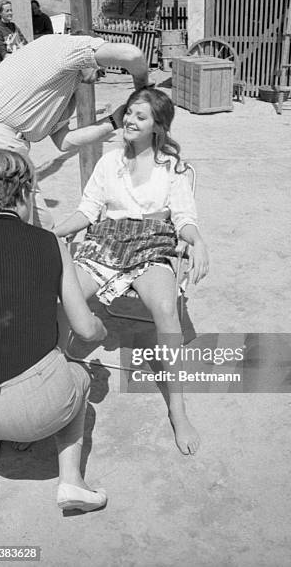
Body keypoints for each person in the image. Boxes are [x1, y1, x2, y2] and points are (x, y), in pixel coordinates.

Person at [55, 87, 209, 456]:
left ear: (158, 125)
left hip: (153, 243)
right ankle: (53, 387)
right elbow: (88, 211)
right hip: (106, 241)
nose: (129, 120)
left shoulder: (174, 167)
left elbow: (184, 217)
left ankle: (178, 409)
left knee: (165, 310)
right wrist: (51, 232)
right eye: (129, 114)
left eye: (140, 117)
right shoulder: (108, 162)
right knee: (64, 295)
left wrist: (198, 240)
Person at [0, 149, 108, 511]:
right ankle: (71, 482)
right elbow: (84, 327)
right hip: (38, 410)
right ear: (25, 194)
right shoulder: (50, 243)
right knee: (79, 373)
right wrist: (101, 329)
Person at [0, 33, 149, 229]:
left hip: (2, 143)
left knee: (44, 227)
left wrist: (114, 121)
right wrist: (142, 94)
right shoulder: (69, 47)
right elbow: (132, 55)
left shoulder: (64, 84)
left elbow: (64, 141)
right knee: (8, 231)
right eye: (102, 69)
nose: (100, 75)